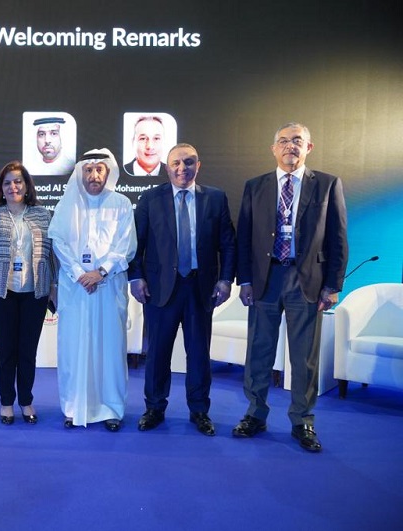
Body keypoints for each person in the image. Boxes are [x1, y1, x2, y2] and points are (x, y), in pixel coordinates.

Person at [233, 122, 348, 452]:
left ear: (308, 147)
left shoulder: (327, 184)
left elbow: (338, 238)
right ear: (273, 149)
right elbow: (244, 238)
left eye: (297, 140)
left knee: (304, 358)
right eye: (283, 141)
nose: (290, 146)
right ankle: (255, 414)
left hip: (306, 281)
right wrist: (246, 280)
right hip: (265, 279)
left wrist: (333, 285)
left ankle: (302, 420)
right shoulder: (255, 186)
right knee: (259, 353)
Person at [128, 143, 236, 435]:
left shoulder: (215, 198)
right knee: (157, 353)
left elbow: (227, 243)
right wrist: (136, 277)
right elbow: (136, 243)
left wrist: (226, 279)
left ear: (198, 166)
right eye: (176, 163)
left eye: (189, 162)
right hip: (160, 289)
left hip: (201, 288)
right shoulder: (150, 199)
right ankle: (154, 408)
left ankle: (199, 410)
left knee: (199, 354)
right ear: (167, 167)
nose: (182, 168)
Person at [48, 148, 137, 431]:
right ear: (80, 173)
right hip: (76, 290)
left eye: (99, 169)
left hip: (108, 288)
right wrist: (80, 274)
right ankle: (74, 408)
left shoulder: (121, 204)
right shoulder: (66, 205)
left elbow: (126, 245)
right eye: (88, 170)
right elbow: (58, 242)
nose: (94, 175)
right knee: (74, 348)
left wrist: (100, 272)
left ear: (108, 172)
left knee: (110, 350)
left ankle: (111, 409)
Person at [0, 161, 57, 425]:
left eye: (18, 181)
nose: (13, 187)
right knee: (6, 352)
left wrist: (53, 288)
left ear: (27, 185)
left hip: (35, 293)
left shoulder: (43, 215)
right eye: (8, 182)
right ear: (1, 188)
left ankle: (26, 400)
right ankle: (6, 402)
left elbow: (51, 255)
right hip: (2, 292)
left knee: (27, 352)